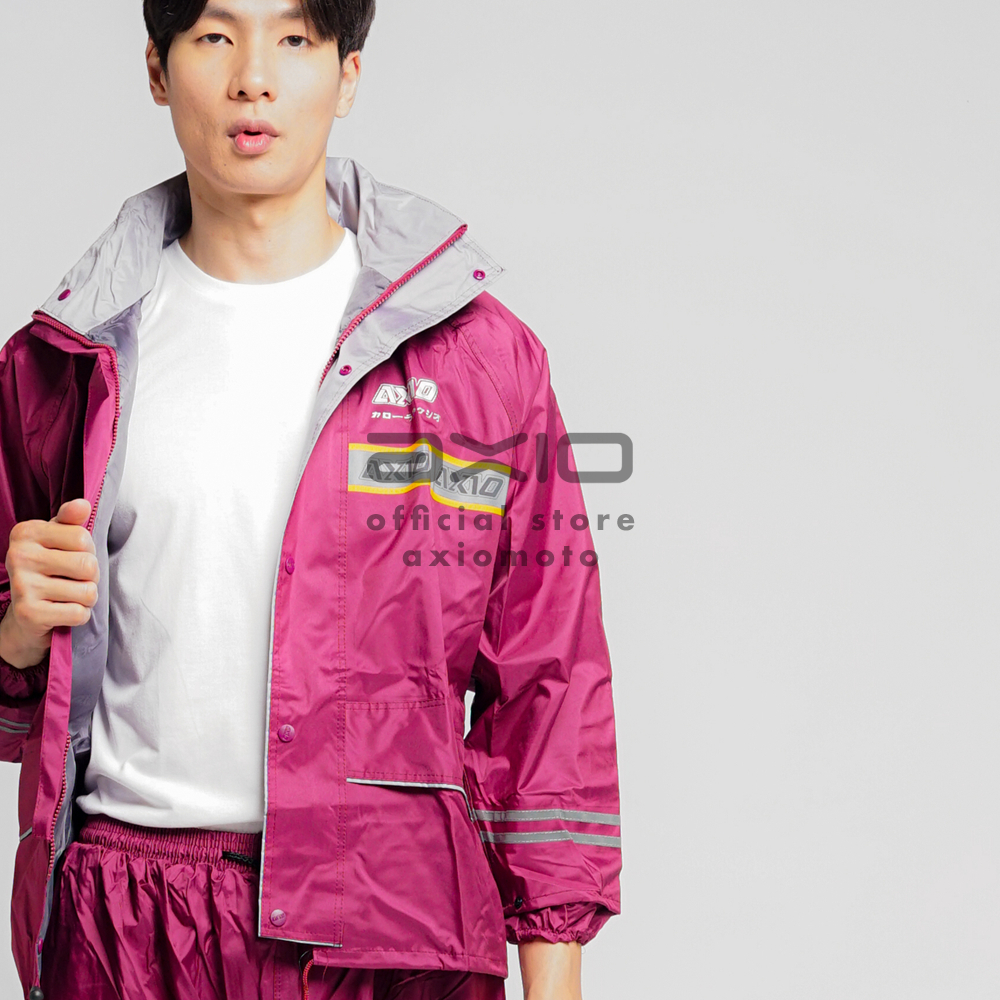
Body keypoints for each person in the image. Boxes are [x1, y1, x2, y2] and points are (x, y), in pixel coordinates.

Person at [0, 2, 622, 998]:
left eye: (294, 39)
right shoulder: (64, 361)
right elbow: (13, 700)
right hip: (126, 925)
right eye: (214, 36)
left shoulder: (478, 360)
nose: (254, 75)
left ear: (348, 76)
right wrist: (18, 633)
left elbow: (549, 684)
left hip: (392, 928)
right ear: (158, 70)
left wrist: (555, 977)